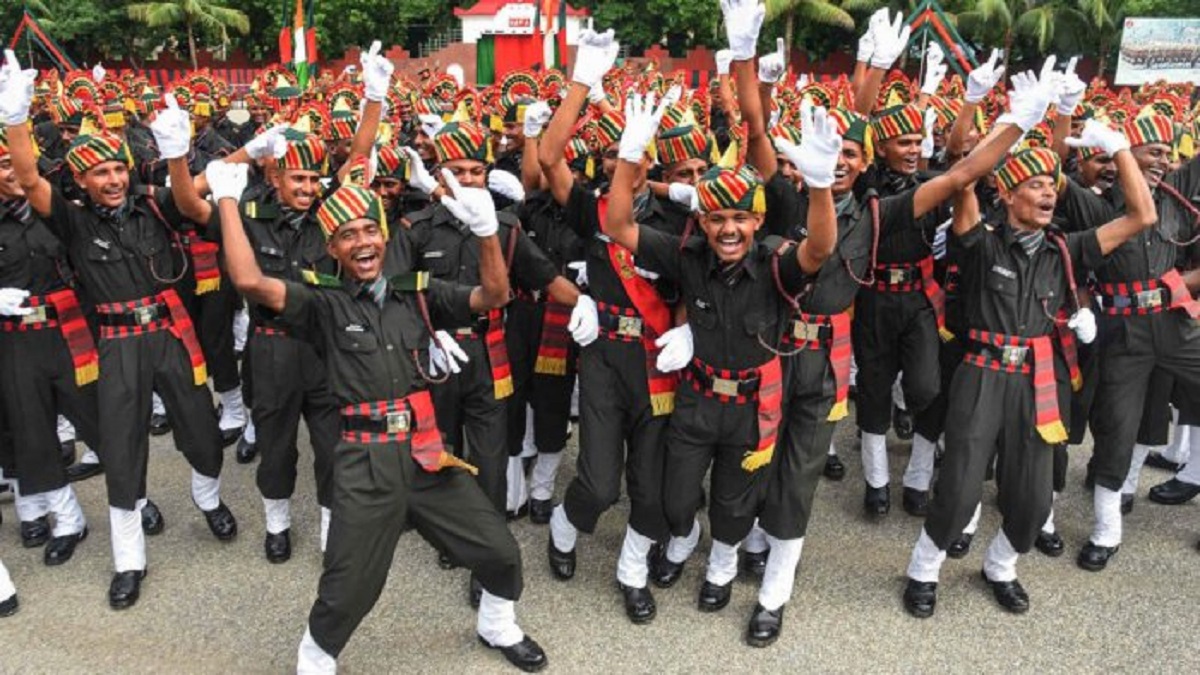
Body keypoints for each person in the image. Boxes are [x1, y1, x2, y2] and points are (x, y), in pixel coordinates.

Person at [209, 111, 547, 669]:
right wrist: (226, 201)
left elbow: (492, 297)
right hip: (365, 461)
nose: (362, 242)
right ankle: (316, 655)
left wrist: (488, 233)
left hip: (426, 454)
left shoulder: (417, 293)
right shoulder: (322, 304)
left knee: (500, 550)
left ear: (383, 235)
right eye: (347, 236)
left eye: (369, 231)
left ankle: (496, 624)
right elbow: (249, 281)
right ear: (332, 250)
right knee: (350, 585)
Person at [0, 50, 238, 610]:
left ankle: (208, 497)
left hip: (170, 336)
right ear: (81, 179)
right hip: (116, 344)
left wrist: (177, 156)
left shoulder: (153, 206)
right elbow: (31, 179)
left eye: (118, 169)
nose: (112, 179)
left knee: (202, 430)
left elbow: (189, 202)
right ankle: (129, 559)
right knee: (123, 450)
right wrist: (15, 119)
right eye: (99, 172)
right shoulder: (73, 220)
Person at [903, 113, 1158, 617]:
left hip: (1038, 377)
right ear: (1008, 193)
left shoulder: (1067, 248)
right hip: (981, 372)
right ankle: (924, 569)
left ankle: (1001, 566)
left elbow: (1141, 217)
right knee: (957, 489)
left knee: (1035, 498)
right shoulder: (979, 242)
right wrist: (1014, 122)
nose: (1047, 194)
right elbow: (962, 173)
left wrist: (1123, 148)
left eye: (1052, 186)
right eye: (1034, 184)